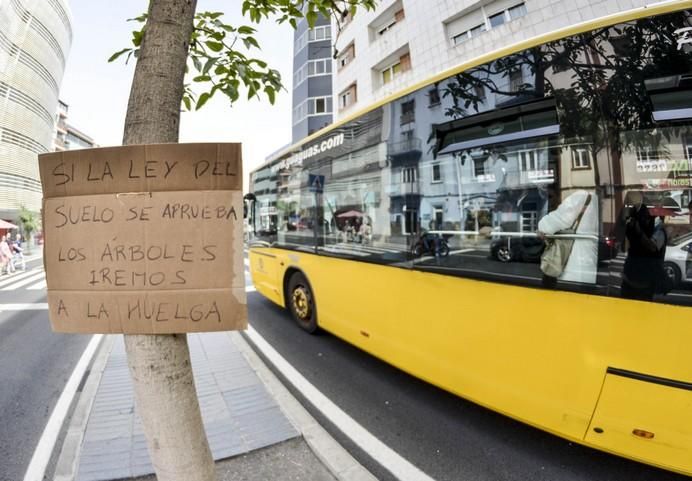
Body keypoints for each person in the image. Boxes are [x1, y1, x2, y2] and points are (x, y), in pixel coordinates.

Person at [537, 189, 598, 285]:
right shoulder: (595, 202)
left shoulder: (580, 196)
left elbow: (548, 225)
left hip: (573, 263)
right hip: (590, 264)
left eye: (551, 197)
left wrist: (541, 226)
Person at [619, 192, 667, 301]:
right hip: (630, 278)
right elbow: (624, 244)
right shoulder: (636, 217)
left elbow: (652, 247)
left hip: (644, 282)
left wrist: (638, 230)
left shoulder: (658, 226)